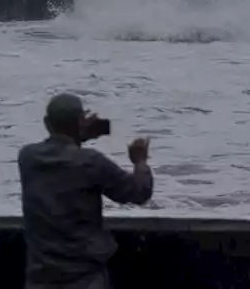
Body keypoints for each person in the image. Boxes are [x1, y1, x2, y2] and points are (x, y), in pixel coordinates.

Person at [17, 93, 153, 289]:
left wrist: (77, 135)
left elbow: (62, 154)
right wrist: (140, 161)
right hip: (84, 276)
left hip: (41, 276)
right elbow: (139, 192)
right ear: (80, 122)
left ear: (47, 123)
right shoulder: (91, 162)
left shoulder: (27, 157)